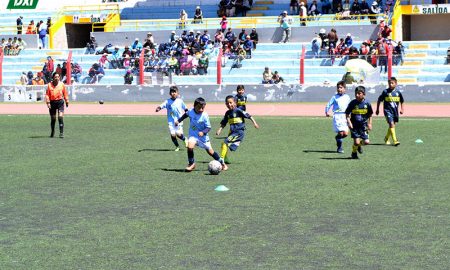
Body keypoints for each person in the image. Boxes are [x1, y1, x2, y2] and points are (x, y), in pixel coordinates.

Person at [175, 97, 227, 172]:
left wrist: (203, 132)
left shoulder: (205, 115)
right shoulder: (191, 111)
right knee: (190, 147)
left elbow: (208, 128)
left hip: (203, 137)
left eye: (203, 108)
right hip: (193, 135)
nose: (201, 110)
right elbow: (185, 115)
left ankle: (222, 163)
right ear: (194, 106)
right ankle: (191, 164)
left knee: (210, 152)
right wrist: (178, 121)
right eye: (199, 108)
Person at [216, 95, 259, 166]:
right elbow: (224, 122)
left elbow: (249, 116)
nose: (229, 104)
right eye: (227, 103)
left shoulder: (238, 111)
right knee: (223, 144)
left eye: (230, 103)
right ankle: (225, 159)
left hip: (239, 132)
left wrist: (255, 123)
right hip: (232, 132)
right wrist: (220, 129)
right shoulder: (227, 113)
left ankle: (221, 159)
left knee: (225, 142)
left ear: (235, 103)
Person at [155, 86, 188, 151]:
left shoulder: (180, 101)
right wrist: (158, 108)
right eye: (172, 92)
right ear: (170, 93)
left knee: (178, 134)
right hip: (171, 121)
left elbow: (185, 108)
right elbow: (161, 106)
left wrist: (188, 113)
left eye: (174, 92)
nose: (173, 93)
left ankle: (185, 139)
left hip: (179, 120)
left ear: (177, 93)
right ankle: (177, 146)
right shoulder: (167, 101)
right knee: (173, 135)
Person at [345, 85, 373, 159]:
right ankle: (354, 153)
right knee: (356, 142)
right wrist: (349, 122)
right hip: (354, 126)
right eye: (356, 93)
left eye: (359, 93)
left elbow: (370, 114)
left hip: (363, 126)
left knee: (367, 142)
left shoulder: (367, 104)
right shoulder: (352, 103)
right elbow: (347, 114)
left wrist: (370, 123)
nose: (357, 95)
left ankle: (359, 146)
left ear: (364, 94)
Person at [376, 77, 404, 146]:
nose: (390, 84)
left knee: (392, 125)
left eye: (392, 83)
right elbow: (379, 100)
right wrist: (377, 109)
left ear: (396, 83)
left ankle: (386, 138)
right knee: (391, 124)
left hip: (395, 111)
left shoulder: (398, 92)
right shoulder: (385, 92)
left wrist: (402, 109)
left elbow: (402, 101)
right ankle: (395, 140)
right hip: (387, 111)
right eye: (389, 83)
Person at [325, 80, 351, 153]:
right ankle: (339, 147)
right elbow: (328, 104)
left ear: (344, 89)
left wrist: (351, 114)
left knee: (345, 134)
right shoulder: (334, 97)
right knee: (341, 133)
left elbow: (350, 106)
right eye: (338, 88)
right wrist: (326, 112)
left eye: (341, 87)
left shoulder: (347, 97)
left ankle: (337, 138)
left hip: (345, 116)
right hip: (337, 116)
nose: (339, 89)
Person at [45, 73, 69, 138]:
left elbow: (65, 93)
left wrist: (67, 101)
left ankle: (61, 133)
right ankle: (52, 132)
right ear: (53, 78)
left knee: (60, 117)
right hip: (52, 103)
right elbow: (47, 95)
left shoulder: (62, 84)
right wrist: (48, 102)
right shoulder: (49, 85)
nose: (57, 78)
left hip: (60, 102)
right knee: (53, 119)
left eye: (58, 77)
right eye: (55, 77)